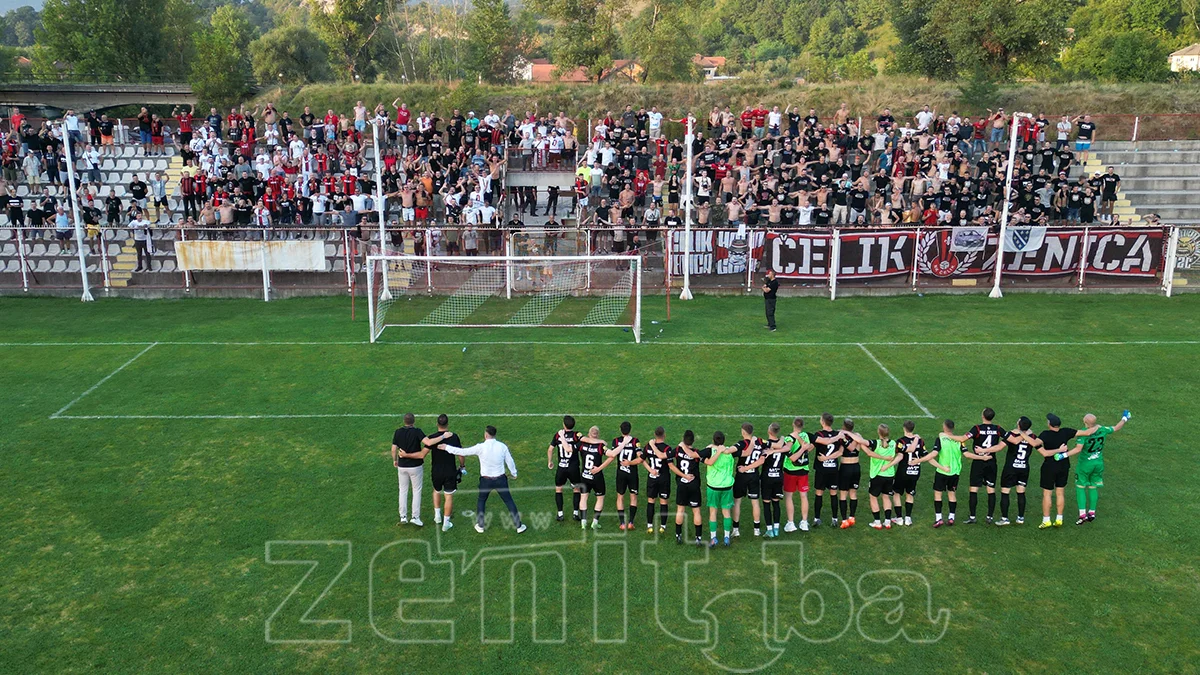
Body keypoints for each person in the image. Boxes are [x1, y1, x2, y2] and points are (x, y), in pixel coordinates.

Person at [441, 425, 528, 534]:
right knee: (508, 501)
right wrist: (514, 473)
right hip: (500, 480)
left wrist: (447, 447)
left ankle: (481, 525)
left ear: (486, 435)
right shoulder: (502, 446)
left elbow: (463, 452)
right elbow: (510, 461)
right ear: (494, 435)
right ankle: (519, 526)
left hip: (486, 481)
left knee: (481, 501)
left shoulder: (481, 447)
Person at [1065, 411, 1130, 525]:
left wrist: (1063, 455)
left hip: (1085, 465)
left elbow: (1078, 449)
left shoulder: (1083, 433)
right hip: (1098, 464)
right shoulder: (1102, 429)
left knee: (1080, 487)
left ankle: (1082, 514)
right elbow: (1116, 428)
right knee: (1093, 487)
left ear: (1085, 421)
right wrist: (1125, 418)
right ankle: (1092, 512)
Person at [852, 424, 903, 530]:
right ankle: (887, 522)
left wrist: (853, 435)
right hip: (889, 475)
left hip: (877, 475)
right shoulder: (894, 443)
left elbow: (864, 445)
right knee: (886, 497)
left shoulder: (875, 443)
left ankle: (877, 522)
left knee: (873, 497)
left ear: (878, 432)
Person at [422, 414, 465, 532]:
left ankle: (437, 516)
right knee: (448, 496)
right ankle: (446, 523)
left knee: (436, 491)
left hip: (436, 471)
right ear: (447, 424)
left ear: (437, 424)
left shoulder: (432, 438)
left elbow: (423, 454)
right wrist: (462, 466)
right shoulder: (454, 437)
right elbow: (460, 454)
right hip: (450, 471)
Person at [1034, 413, 1078, 528]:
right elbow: (1085, 433)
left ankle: (1046, 520)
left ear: (1049, 424)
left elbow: (1035, 443)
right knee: (1060, 492)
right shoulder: (1065, 432)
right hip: (1064, 466)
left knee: (1047, 493)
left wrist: (1023, 434)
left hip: (1049, 467)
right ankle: (1059, 518)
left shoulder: (1045, 434)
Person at [964, 408, 1006, 524]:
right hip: (991, 461)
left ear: (983, 416)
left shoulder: (977, 428)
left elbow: (964, 438)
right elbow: (1009, 438)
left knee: (973, 489)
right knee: (991, 489)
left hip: (978, 462)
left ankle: (972, 517)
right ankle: (990, 517)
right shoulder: (998, 429)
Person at [997, 416, 1037, 526]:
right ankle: (1020, 518)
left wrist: (984, 450)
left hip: (1010, 468)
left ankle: (1005, 518)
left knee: (1005, 492)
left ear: (1019, 425)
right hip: (1024, 467)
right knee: (1021, 492)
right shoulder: (1032, 436)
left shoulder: (1013, 435)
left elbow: (999, 447)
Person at [390, 413, 426, 527]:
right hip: (415, 466)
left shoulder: (398, 432)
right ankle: (415, 517)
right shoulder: (417, 431)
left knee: (403, 490)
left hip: (402, 466)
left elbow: (393, 449)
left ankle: (403, 516)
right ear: (413, 421)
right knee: (416, 490)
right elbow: (427, 442)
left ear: (404, 421)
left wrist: (395, 460)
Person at [669, 429, 704, 545]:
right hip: (694, 484)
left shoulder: (678, 450)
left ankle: (678, 535)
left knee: (680, 510)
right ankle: (698, 538)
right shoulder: (696, 453)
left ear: (683, 440)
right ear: (693, 441)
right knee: (696, 511)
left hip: (682, 484)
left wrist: (683, 476)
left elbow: (670, 464)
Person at [702, 430, 737, 547]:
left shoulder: (710, 451)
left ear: (713, 440)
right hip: (727, 486)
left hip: (713, 486)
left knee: (713, 512)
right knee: (726, 512)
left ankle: (713, 538)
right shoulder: (729, 452)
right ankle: (726, 537)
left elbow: (702, 456)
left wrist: (711, 447)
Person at [928, 419, 963, 528]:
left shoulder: (940, 439)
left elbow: (934, 453)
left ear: (944, 427)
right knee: (952, 494)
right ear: (953, 428)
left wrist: (922, 459)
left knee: (938, 494)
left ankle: (939, 518)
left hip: (942, 471)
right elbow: (966, 454)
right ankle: (951, 517)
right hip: (955, 472)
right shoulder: (959, 440)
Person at [732, 422, 765, 537]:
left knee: (737, 502)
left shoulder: (742, 443)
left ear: (743, 432)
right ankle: (757, 530)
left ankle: (736, 530)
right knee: (755, 502)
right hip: (754, 475)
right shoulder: (760, 442)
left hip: (742, 476)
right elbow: (772, 446)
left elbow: (732, 452)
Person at [578, 426, 615, 530]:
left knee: (583, 497)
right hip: (597, 477)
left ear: (588, 434)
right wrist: (599, 468)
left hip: (584, 475)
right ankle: (595, 522)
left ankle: (583, 522)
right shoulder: (600, 446)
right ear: (597, 435)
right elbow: (612, 456)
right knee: (600, 497)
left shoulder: (582, 444)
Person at [547, 415, 583, 522]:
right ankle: (575, 513)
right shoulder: (576, 435)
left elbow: (550, 449)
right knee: (576, 489)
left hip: (562, 467)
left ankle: (560, 514)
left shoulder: (558, 435)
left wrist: (550, 461)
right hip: (573, 467)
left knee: (559, 489)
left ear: (564, 424)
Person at [781, 417, 814, 532]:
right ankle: (804, 522)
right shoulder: (806, 436)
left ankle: (791, 523)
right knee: (804, 496)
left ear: (793, 424)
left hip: (790, 471)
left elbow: (791, 456)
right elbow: (809, 447)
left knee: (789, 496)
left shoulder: (789, 438)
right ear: (802, 426)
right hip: (803, 470)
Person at [608, 421, 642, 531]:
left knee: (620, 497)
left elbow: (613, 454)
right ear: (630, 429)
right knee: (633, 497)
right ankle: (631, 522)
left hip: (621, 473)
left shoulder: (616, 441)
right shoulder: (635, 441)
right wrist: (630, 463)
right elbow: (640, 458)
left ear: (620, 429)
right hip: (632, 474)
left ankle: (622, 523)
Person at [812, 413, 843, 528]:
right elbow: (840, 452)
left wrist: (825, 458)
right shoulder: (838, 435)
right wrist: (829, 458)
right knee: (833, 494)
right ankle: (834, 519)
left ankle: (817, 518)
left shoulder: (819, 435)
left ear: (822, 422)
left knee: (819, 493)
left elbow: (811, 447)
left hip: (821, 469)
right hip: (833, 469)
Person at [643, 427, 673, 533]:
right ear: (664, 435)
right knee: (663, 502)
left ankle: (649, 525)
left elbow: (642, 460)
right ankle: (663, 526)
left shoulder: (648, 446)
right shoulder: (667, 448)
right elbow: (670, 464)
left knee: (651, 501)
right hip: (664, 478)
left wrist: (650, 470)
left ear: (655, 435)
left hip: (652, 478)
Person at [760, 423, 787, 538]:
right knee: (776, 503)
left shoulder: (765, 444)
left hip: (767, 477)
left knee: (766, 503)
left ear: (769, 431)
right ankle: (776, 528)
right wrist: (782, 438)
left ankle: (769, 530)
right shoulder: (783, 444)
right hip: (778, 477)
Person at [836, 418, 862, 529]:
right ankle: (852, 517)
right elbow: (857, 443)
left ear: (844, 427)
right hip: (856, 467)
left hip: (846, 468)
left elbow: (849, 448)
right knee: (853, 493)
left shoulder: (842, 438)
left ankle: (844, 520)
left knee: (843, 494)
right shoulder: (858, 436)